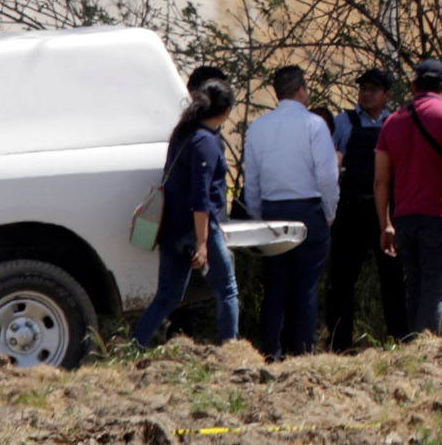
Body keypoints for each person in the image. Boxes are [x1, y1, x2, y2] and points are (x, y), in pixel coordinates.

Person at [132, 81, 239, 347]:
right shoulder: (206, 142)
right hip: (197, 228)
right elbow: (200, 197)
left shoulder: (182, 134)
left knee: (167, 296)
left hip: (171, 226)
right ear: (226, 111)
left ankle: (134, 346)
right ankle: (230, 351)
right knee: (227, 292)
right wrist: (202, 243)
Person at [243, 65, 339, 359]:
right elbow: (327, 176)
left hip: (272, 210)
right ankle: (304, 350)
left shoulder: (258, 127)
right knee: (306, 285)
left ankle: (271, 349)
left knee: (275, 285)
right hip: (308, 209)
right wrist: (329, 211)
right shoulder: (314, 125)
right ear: (301, 91)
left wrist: (258, 217)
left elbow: (253, 181)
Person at [375, 58, 442, 337]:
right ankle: (425, 353)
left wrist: (385, 224)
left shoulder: (392, 121)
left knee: (414, 289)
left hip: (405, 218)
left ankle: (412, 348)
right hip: (439, 215)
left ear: (413, 85)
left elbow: (381, 181)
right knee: (434, 291)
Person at [325, 68, 408, 351]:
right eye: (363, 88)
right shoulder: (344, 122)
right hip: (351, 211)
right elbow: (329, 165)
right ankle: (339, 343)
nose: (366, 94)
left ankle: (400, 340)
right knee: (342, 281)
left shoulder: (396, 123)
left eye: (373, 89)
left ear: (387, 95)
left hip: (385, 213)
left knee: (394, 278)